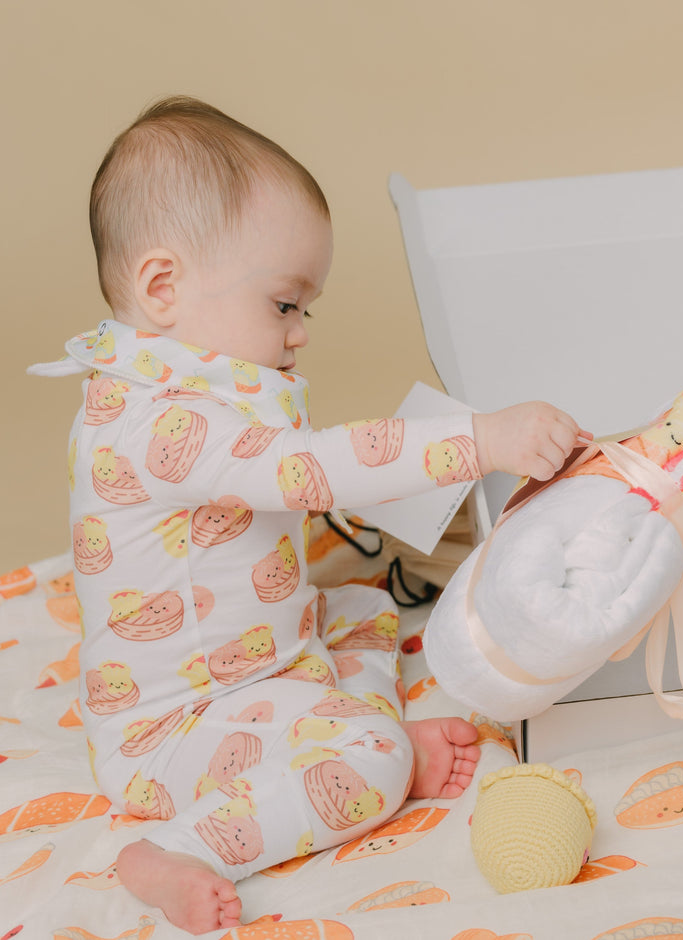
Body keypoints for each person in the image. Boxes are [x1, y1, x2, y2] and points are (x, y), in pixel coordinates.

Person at [31, 96, 588, 933]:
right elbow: (314, 469)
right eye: (285, 305)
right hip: (172, 729)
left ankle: (359, 722)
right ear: (163, 286)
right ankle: (183, 848)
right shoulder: (156, 424)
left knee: (362, 605)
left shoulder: (166, 383)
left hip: (260, 663)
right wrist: (480, 438)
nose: (298, 335)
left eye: (305, 311)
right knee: (366, 762)